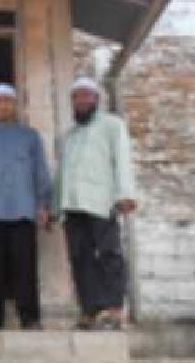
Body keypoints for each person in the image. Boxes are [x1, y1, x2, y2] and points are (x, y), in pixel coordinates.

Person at [0, 83, 52, 330]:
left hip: (23, 212)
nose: (3, 105)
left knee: (25, 270)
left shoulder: (30, 137)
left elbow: (40, 173)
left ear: (15, 105)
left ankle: (30, 318)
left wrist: (43, 205)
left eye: (7, 100)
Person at [56, 77, 136, 331]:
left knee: (109, 254)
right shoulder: (68, 136)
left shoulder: (112, 126)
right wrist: (55, 207)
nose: (81, 101)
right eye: (76, 97)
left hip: (101, 201)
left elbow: (122, 159)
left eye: (86, 96)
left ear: (96, 99)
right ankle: (89, 311)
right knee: (80, 258)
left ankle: (114, 309)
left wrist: (125, 193)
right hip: (73, 204)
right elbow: (61, 173)